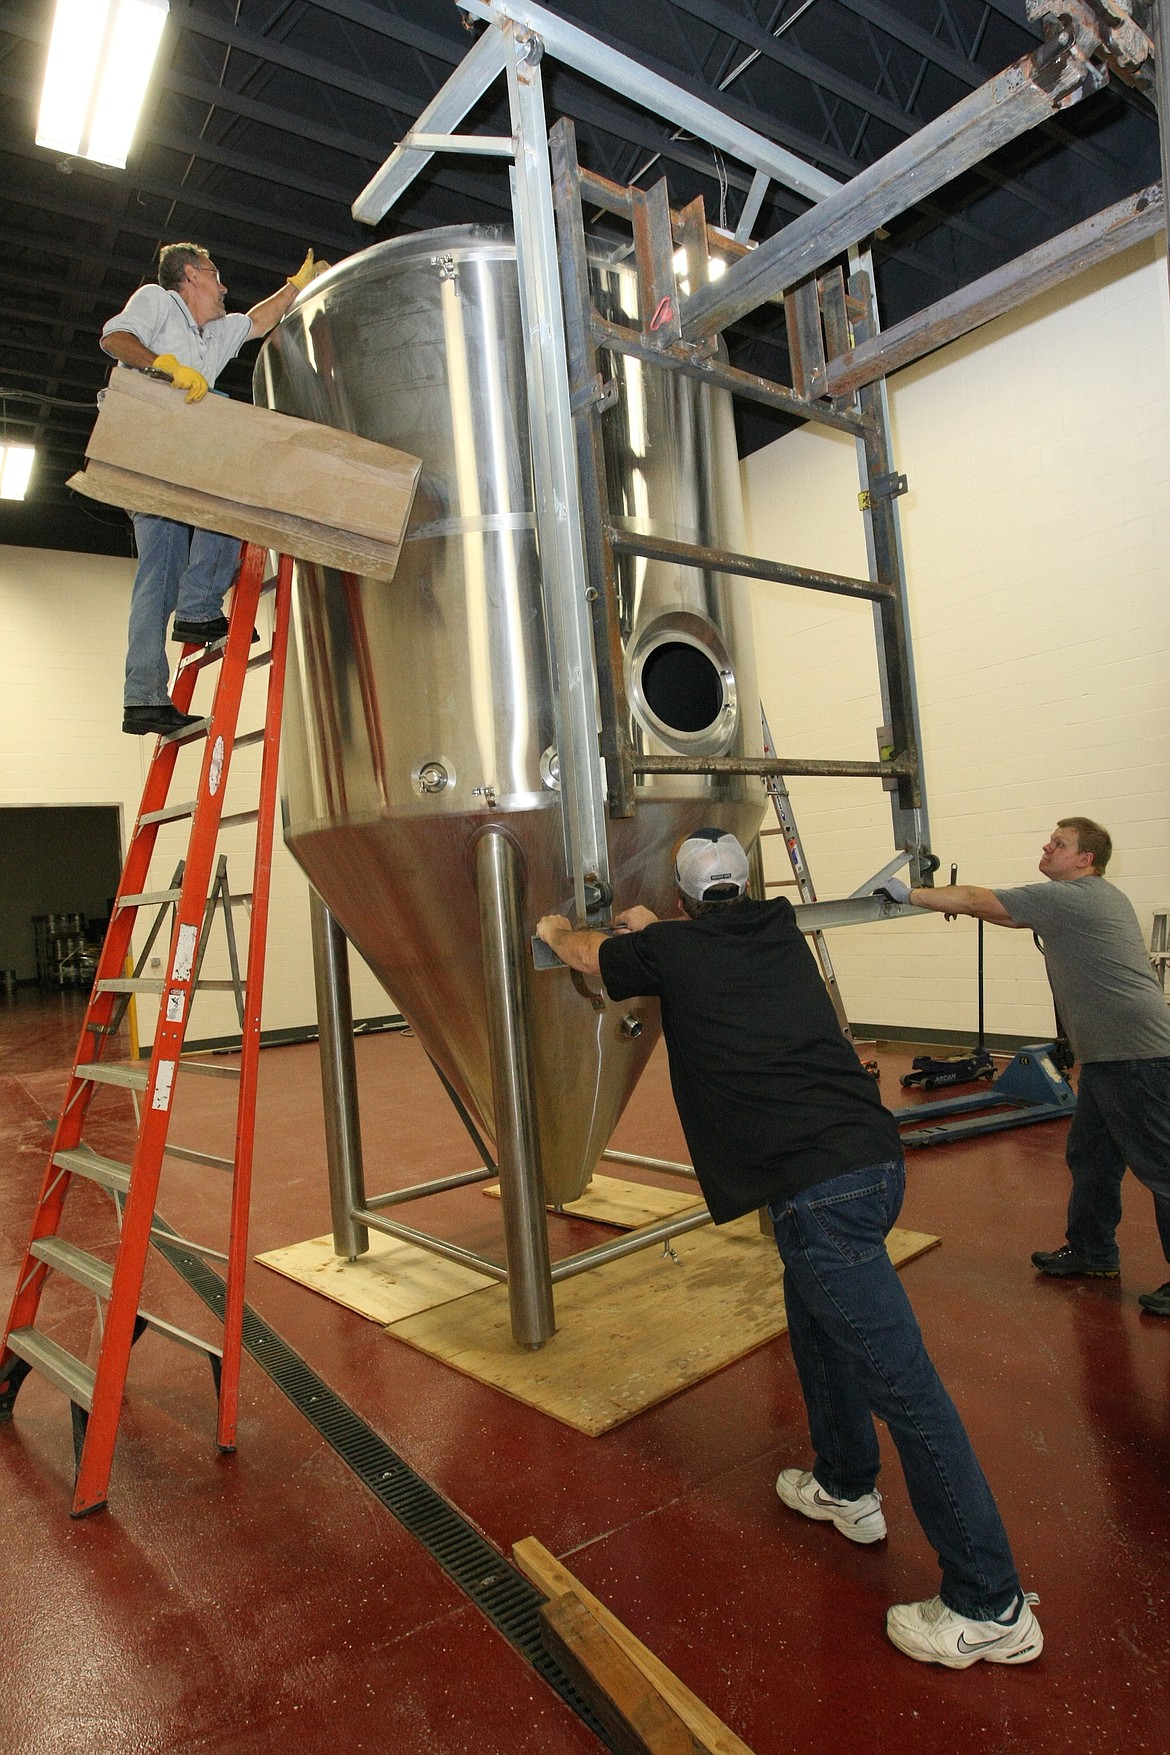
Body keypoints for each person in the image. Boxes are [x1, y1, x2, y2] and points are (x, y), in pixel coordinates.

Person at [537, 829, 1042, 1669]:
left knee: (910, 1394)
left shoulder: (672, 947)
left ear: (683, 903)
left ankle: (989, 1604)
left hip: (820, 1191)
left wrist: (558, 932)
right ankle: (845, 1485)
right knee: (812, 1314)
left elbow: (594, 956)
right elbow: (668, 940)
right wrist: (646, 927)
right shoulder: (775, 929)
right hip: (872, 1164)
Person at [880, 818, 1170, 1318]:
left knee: (1161, 1169)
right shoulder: (1090, 899)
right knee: (1092, 1159)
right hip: (1110, 1055)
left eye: (1060, 844)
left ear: (1086, 860)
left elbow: (978, 900)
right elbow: (1006, 916)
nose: (1047, 846)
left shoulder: (1074, 897)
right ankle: (1092, 1251)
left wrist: (911, 895)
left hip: (1135, 1054)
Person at [101, 242, 328, 736]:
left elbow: (259, 321)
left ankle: (175, 648)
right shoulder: (159, 301)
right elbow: (116, 339)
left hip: (185, 451)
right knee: (168, 560)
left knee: (211, 517)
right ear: (190, 275)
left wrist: (296, 285)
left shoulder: (218, 334)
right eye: (215, 274)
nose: (224, 286)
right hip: (144, 438)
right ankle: (183, 631)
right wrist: (165, 366)